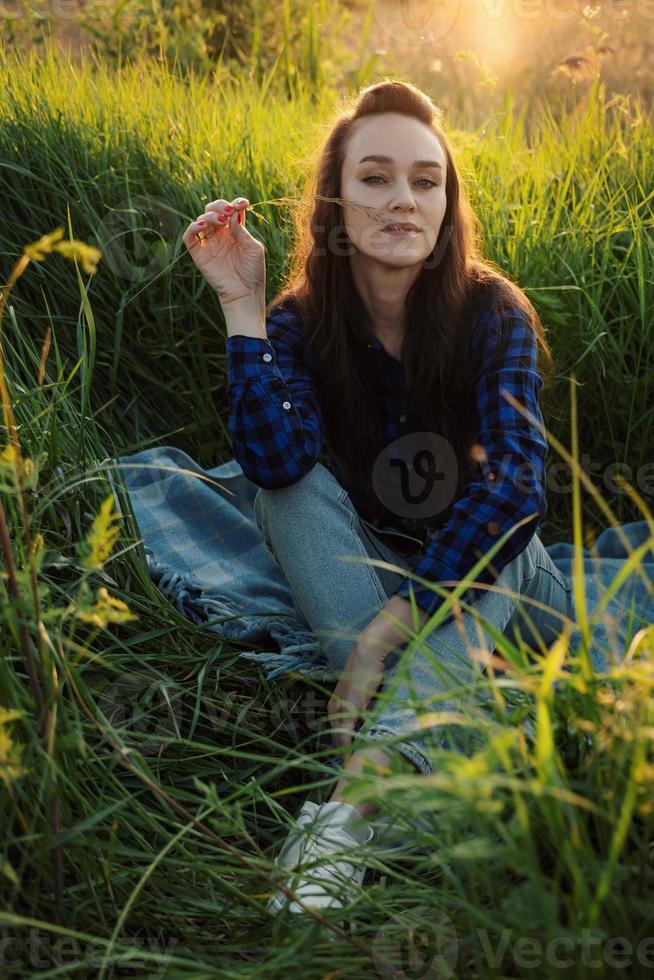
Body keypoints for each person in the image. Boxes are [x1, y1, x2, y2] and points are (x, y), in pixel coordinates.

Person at [182, 79, 573, 918]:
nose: (403, 199)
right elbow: (275, 461)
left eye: (426, 181)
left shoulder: (491, 312)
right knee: (281, 497)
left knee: (492, 556)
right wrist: (242, 305)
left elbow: (514, 486)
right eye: (375, 178)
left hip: (504, 589)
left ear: (447, 202)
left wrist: (382, 635)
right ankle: (429, 745)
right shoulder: (300, 320)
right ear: (334, 200)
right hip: (373, 556)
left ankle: (349, 809)